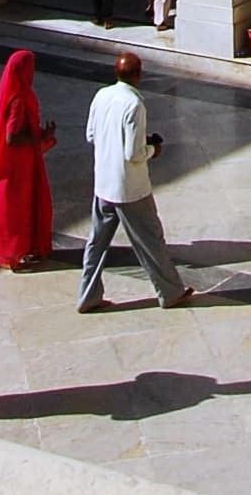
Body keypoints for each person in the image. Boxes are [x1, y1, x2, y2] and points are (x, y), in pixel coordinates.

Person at [78, 51, 195, 310]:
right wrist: (153, 150)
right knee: (151, 239)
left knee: (96, 242)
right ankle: (170, 291)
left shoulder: (101, 95)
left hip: (104, 183)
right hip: (130, 188)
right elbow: (134, 153)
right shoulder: (134, 104)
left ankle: (87, 294)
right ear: (138, 75)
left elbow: (91, 135)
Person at [0, 47, 56, 271]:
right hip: (18, 164)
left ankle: (19, 249)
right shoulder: (19, 99)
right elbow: (12, 137)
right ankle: (14, 253)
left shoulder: (12, 92)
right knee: (19, 208)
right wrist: (39, 136)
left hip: (19, 161)